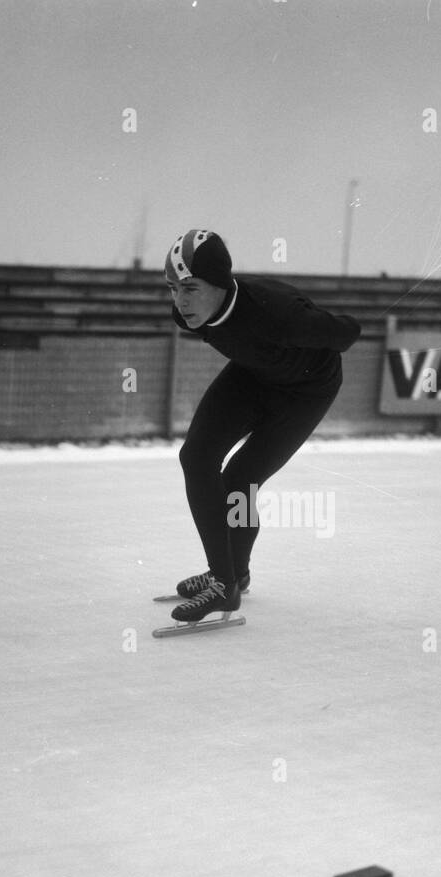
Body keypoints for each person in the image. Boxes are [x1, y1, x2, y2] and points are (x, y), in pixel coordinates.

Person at [164, 229, 361, 624]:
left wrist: (310, 327)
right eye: (172, 288)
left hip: (306, 390)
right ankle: (230, 574)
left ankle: (226, 583)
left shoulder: (278, 314)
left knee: (241, 478)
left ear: (219, 283)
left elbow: (348, 331)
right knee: (197, 456)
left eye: (190, 287)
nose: (180, 302)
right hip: (255, 376)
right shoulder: (190, 316)